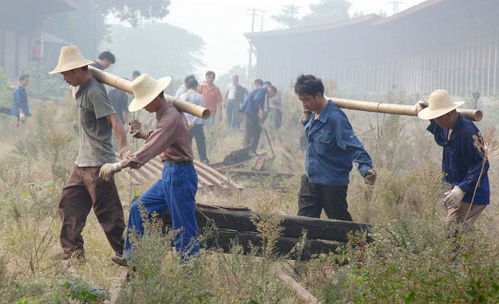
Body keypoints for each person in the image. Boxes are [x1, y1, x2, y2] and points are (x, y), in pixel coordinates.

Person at [99, 74, 200, 261]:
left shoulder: (171, 117)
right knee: (140, 208)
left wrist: (118, 165)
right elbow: (161, 137)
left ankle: (190, 268)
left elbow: (153, 147)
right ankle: (131, 257)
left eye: (145, 103)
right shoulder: (164, 113)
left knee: (183, 226)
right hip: (170, 172)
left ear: (155, 98)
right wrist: (143, 134)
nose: (144, 107)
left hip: (180, 175)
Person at [49, 45, 128, 263]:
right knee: (70, 203)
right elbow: (80, 81)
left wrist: (123, 148)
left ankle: (129, 254)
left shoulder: (93, 90)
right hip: (82, 161)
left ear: (77, 70)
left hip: (97, 163)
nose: (64, 78)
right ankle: (73, 252)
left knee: (108, 212)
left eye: (66, 73)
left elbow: (114, 119)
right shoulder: (81, 86)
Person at [295, 74, 376, 221]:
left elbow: (353, 145)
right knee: (302, 224)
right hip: (311, 179)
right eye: (301, 100)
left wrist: (365, 168)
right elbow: (310, 132)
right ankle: (305, 245)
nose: (304, 104)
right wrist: (306, 116)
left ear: (319, 95)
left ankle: (360, 244)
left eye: (307, 100)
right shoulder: (313, 115)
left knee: (340, 223)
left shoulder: (336, 119)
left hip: (331, 183)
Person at [416, 89, 489, 230]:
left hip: (472, 192)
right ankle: (471, 249)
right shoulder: (448, 126)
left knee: (450, 230)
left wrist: (461, 189)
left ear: (449, 114)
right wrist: (431, 115)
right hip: (455, 188)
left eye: (437, 117)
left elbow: (482, 163)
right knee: (458, 231)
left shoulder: (467, 132)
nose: (436, 121)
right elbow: (442, 140)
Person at [180, 75, 209, 164]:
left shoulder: (182, 96)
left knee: (186, 141)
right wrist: (193, 121)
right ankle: (203, 158)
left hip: (185, 122)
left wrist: (188, 121)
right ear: (196, 86)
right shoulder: (199, 96)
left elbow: (182, 110)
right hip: (198, 123)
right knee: (200, 141)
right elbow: (200, 110)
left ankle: (185, 158)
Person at [240, 78, 267, 155]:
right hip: (251, 113)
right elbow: (257, 100)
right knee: (251, 132)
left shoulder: (257, 90)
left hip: (252, 113)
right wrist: (260, 110)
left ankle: (251, 150)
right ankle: (247, 151)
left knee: (254, 132)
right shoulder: (262, 90)